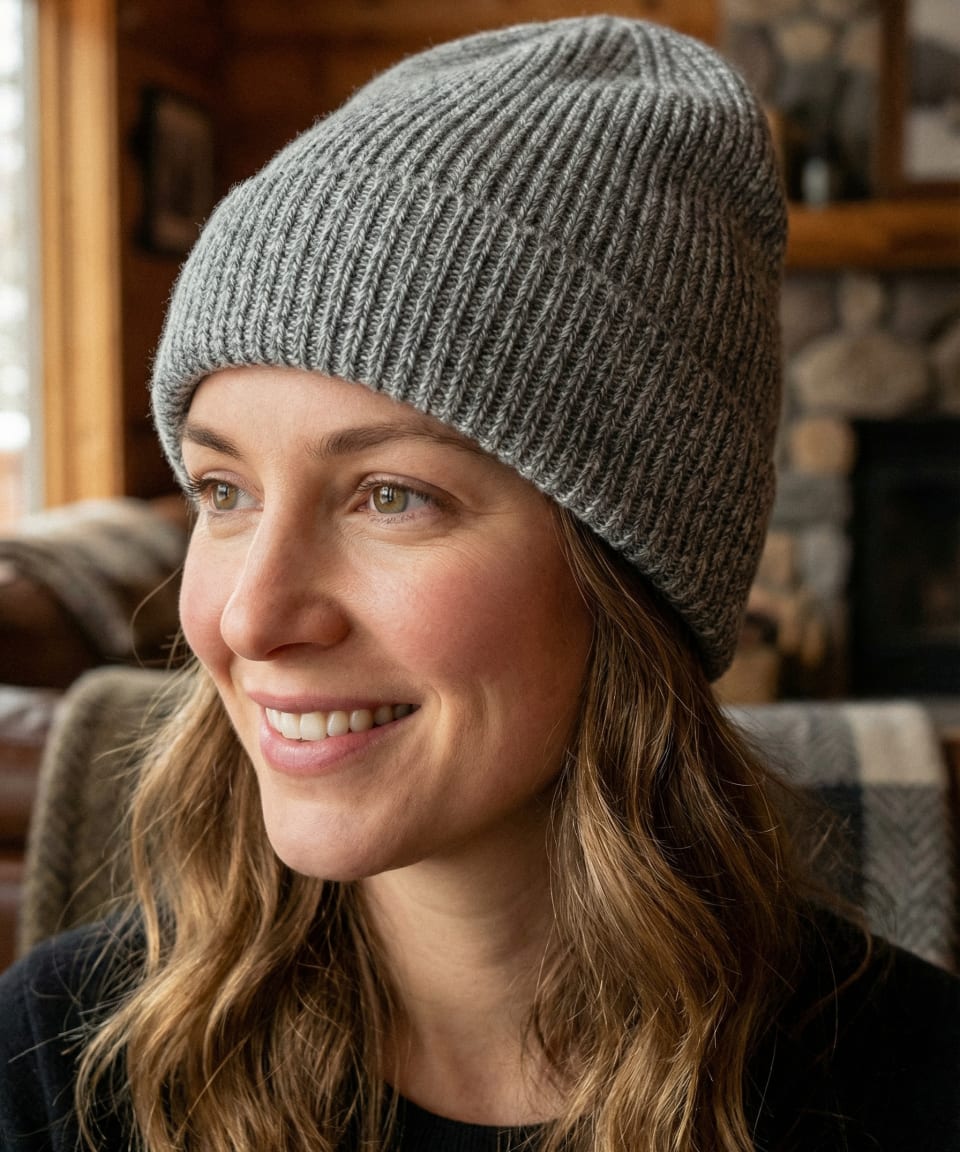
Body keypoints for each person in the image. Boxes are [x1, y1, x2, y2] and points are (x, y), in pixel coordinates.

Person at [1, 16, 958, 1152]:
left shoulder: (913, 1090)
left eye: (391, 496)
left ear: (634, 567)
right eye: (224, 490)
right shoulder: (59, 1071)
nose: (250, 615)